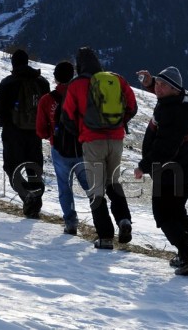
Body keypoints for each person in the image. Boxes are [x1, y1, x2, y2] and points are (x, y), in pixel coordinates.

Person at [134, 66, 188, 275]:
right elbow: (166, 94)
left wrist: (143, 166)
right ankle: (185, 254)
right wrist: (150, 83)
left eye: (162, 85)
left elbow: (164, 149)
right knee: (177, 211)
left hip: (169, 172)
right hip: (187, 168)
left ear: (175, 89)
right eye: (157, 83)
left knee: (164, 214)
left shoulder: (173, 114)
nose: (158, 88)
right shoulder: (184, 100)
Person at [61, 46, 137, 249]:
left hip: (92, 141)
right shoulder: (116, 79)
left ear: (79, 65)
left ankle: (105, 237)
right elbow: (132, 106)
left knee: (96, 190)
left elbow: (67, 116)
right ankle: (124, 220)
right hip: (116, 139)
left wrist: (81, 133)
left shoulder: (76, 85)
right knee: (113, 181)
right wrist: (119, 123)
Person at [0, 49, 50, 218]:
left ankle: (27, 197)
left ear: (13, 63)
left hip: (13, 132)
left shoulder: (8, 82)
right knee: (34, 169)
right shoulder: (42, 82)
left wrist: (6, 124)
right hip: (35, 133)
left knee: (12, 168)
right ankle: (35, 202)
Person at [36, 61, 88, 234]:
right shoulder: (82, 95)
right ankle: (101, 220)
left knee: (65, 187)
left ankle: (71, 222)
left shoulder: (47, 100)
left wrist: (52, 134)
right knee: (90, 186)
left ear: (55, 78)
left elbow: (41, 131)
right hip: (82, 147)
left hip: (58, 150)